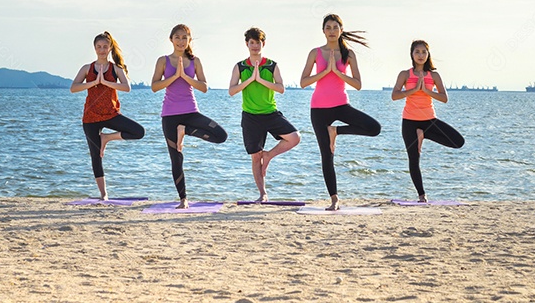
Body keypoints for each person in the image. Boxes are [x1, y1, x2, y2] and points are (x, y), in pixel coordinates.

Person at [300, 13, 381, 210]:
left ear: (341, 30)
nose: (331, 31)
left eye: (335, 27)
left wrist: (337, 72)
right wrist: (324, 72)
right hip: (319, 109)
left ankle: (336, 131)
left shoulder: (348, 55)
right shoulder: (315, 53)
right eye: (328, 27)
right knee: (327, 155)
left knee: (374, 128)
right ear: (323, 31)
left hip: (341, 105)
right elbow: (303, 82)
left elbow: (358, 84)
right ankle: (335, 199)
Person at [151, 23, 227, 208]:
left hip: (191, 112)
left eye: (184, 37)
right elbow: (154, 86)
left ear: (189, 40)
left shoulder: (195, 61)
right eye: (177, 37)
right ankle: (183, 199)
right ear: (171, 39)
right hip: (170, 115)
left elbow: (204, 87)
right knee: (176, 157)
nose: (181, 41)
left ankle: (184, 130)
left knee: (221, 135)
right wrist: (174, 76)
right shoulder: (163, 60)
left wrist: (185, 77)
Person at [69, 31, 146, 200]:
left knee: (139, 131)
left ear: (110, 47)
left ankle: (107, 138)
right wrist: (94, 82)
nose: (102, 50)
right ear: (94, 48)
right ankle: (104, 194)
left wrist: (106, 82)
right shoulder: (87, 68)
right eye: (99, 47)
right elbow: (73, 88)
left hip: (111, 114)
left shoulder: (115, 68)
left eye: (105, 46)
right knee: (96, 157)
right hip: (90, 117)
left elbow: (127, 87)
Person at [227, 27, 300, 202]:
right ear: (247, 44)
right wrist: (250, 79)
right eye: (251, 42)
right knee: (255, 157)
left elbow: (281, 88)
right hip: (250, 116)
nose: (255, 46)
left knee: (295, 137)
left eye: (258, 42)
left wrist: (260, 80)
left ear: (263, 44)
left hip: (270, 113)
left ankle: (269, 155)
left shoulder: (272, 65)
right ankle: (262, 194)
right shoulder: (240, 66)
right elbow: (231, 91)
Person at [390, 39, 465, 202]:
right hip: (409, 121)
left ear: (428, 54)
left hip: (429, 120)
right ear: (411, 54)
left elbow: (444, 98)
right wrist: (413, 90)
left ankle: (423, 134)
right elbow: (394, 96)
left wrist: (425, 90)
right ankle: (422, 195)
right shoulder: (405, 74)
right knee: (413, 159)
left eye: (424, 52)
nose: (421, 55)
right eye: (417, 52)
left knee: (458, 141)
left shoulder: (434, 75)